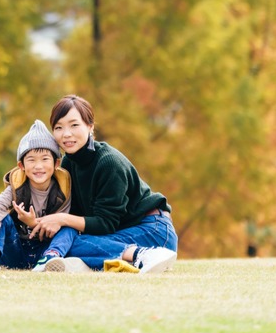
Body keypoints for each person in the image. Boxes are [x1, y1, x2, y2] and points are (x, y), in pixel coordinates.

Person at [31, 94, 178, 274]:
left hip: (153, 231)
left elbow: (105, 223)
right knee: (60, 244)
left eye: (74, 125)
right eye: (59, 127)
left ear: (90, 127)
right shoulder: (68, 164)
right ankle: (97, 263)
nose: (66, 133)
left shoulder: (109, 163)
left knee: (72, 243)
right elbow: (75, 215)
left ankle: (143, 255)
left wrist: (61, 219)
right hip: (118, 234)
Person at [0, 120, 77, 271]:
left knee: (69, 228)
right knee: (3, 218)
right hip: (16, 249)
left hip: (43, 250)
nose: (38, 166)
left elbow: (56, 226)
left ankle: (50, 259)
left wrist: (33, 224)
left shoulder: (62, 190)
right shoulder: (18, 188)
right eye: (31, 160)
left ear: (56, 163)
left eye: (45, 159)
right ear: (22, 166)